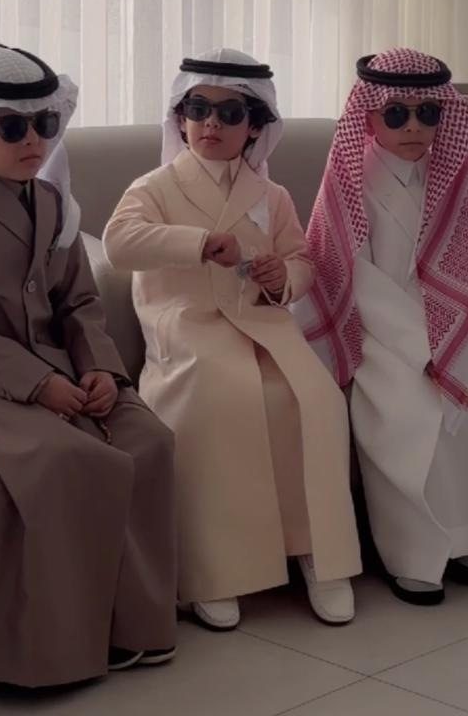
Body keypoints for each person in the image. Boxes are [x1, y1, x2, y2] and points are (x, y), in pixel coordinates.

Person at [0, 40, 177, 686]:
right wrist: (36, 383)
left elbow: (79, 303)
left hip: (60, 367)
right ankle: (52, 643)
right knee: (67, 459)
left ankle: (133, 621)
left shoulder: (52, 203)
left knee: (150, 439)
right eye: (12, 127)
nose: (34, 140)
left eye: (44, 123)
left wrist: (100, 369)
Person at [103, 48, 361, 631]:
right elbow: (119, 243)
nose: (211, 124)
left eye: (229, 113)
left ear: (254, 127)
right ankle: (216, 570)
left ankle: (318, 551)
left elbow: (302, 262)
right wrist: (197, 243)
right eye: (198, 110)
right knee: (220, 397)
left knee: (313, 397)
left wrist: (280, 276)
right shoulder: (155, 186)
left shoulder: (272, 196)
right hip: (188, 327)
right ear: (181, 119)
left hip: (261, 326)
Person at [297, 48, 468, 605]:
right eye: (397, 114)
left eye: (428, 114)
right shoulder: (349, 184)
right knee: (416, 421)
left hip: (465, 334)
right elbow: (347, 277)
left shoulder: (462, 182)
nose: (413, 127)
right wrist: (426, 348)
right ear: (369, 116)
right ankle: (415, 557)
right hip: (384, 339)